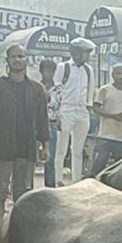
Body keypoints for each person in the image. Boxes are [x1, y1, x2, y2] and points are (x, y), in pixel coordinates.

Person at [0, 45, 49, 243]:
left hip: (26, 150)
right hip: (1, 149)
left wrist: (44, 146)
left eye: (21, 56)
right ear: (7, 60)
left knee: (23, 196)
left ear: (27, 60)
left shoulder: (37, 89)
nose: (18, 60)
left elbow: (43, 120)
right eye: (14, 57)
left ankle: (20, 242)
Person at [49, 37, 97, 184]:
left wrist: (89, 109)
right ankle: (59, 181)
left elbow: (90, 90)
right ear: (76, 53)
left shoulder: (89, 70)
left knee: (78, 150)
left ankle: (76, 182)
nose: (87, 56)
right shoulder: (64, 67)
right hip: (66, 110)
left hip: (82, 111)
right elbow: (56, 91)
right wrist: (56, 114)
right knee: (61, 149)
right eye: (85, 53)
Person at [91, 63, 122, 174]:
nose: (121, 76)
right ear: (112, 75)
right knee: (99, 163)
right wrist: (113, 115)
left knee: (121, 167)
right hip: (105, 134)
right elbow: (96, 108)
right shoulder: (104, 90)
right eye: (118, 74)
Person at [38, 59, 59, 187]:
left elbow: (56, 104)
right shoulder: (35, 86)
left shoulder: (58, 88)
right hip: (36, 123)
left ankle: (50, 187)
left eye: (51, 71)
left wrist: (47, 96)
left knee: (50, 159)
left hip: (51, 123)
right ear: (41, 71)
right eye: (46, 71)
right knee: (31, 158)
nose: (49, 74)